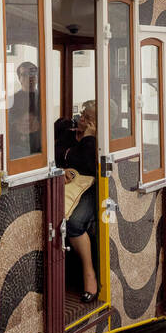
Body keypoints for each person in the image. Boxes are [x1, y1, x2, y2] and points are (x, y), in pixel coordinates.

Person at [62, 100, 100, 302]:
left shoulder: (96, 141)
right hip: (65, 185)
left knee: (74, 222)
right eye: (82, 115)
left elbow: (86, 165)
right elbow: (57, 154)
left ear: (95, 123)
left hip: (91, 189)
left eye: (86, 117)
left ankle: (89, 274)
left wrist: (88, 139)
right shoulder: (66, 132)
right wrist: (62, 170)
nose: (81, 118)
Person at [8, 61, 40, 161]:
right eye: (24, 74)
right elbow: (8, 126)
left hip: (40, 148)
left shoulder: (44, 98)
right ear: (19, 78)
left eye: (32, 73)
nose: (29, 77)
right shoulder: (12, 100)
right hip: (19, 149)